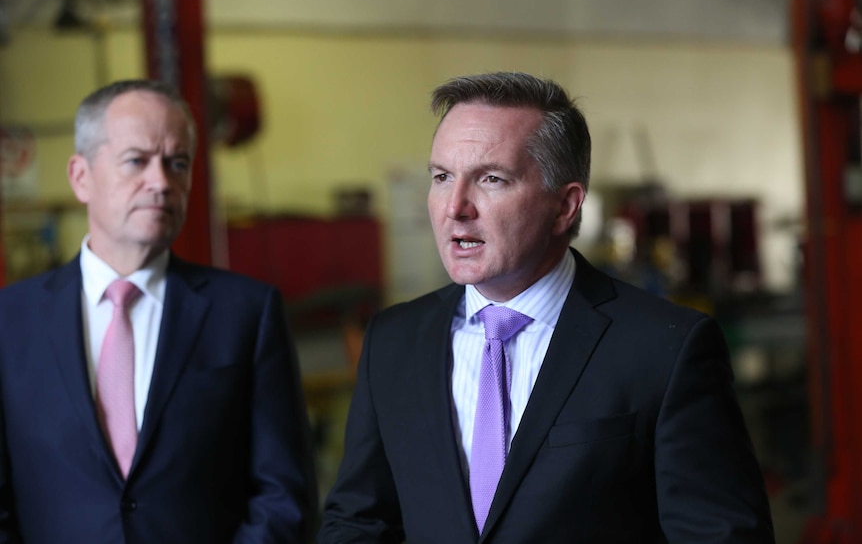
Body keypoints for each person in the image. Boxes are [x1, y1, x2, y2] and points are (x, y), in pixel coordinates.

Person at [318, 71, 774, 543]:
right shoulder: (394, 341)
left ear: (565, 206)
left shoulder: (665, 349)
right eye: (442, 177)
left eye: (491, 179)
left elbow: (722, 536)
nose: (455, 207)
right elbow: (359, 521)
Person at [0, 79, 314, 543]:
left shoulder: (246, 313)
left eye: (177, 163)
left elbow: (284, 491)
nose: (161, 182)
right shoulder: (11, 320)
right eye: (136, 161)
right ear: (80, 176)